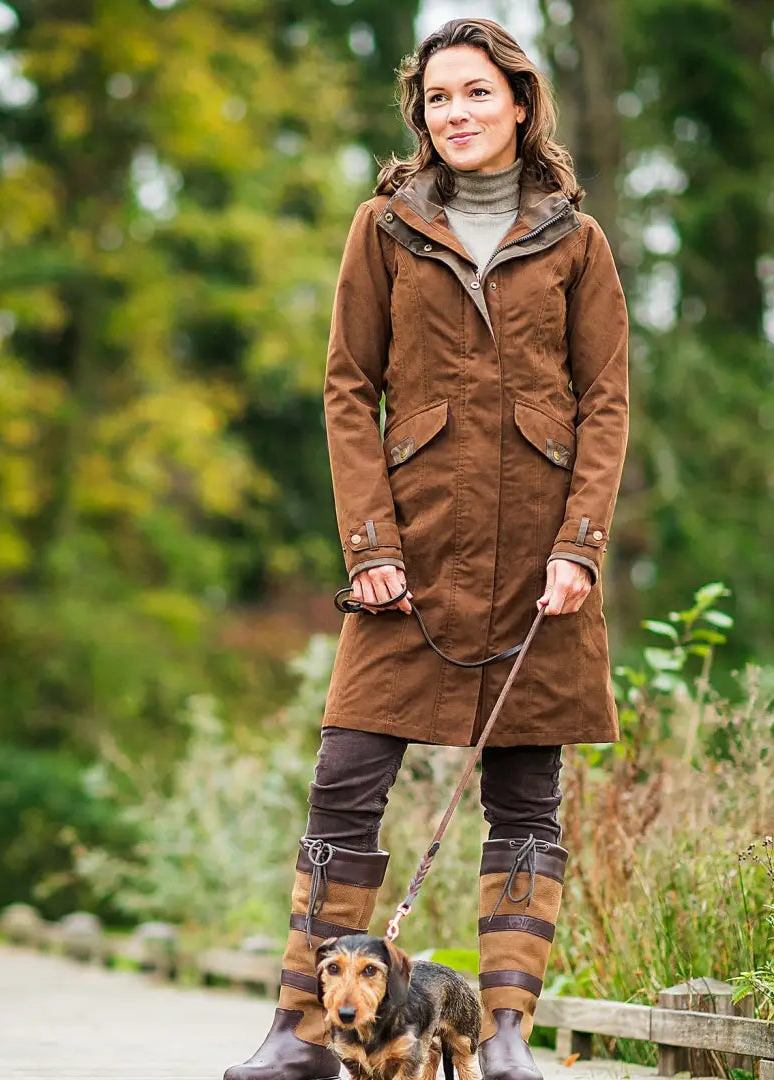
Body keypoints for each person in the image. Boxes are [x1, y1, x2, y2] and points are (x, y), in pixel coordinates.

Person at [223, 16, 629, 1080]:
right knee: (345, 778)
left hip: (543, 568)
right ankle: (301, 1031)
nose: (457, 114)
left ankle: (502, 1039)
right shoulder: (383, 228)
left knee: (527, 800)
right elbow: (348, 387)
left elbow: (606, 403)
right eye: (439, 99)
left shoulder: (579, 244)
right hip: (407, 561)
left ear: (522, 105)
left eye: (477, 94)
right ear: (423, 115)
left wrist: (580, 548)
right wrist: (370, 545)